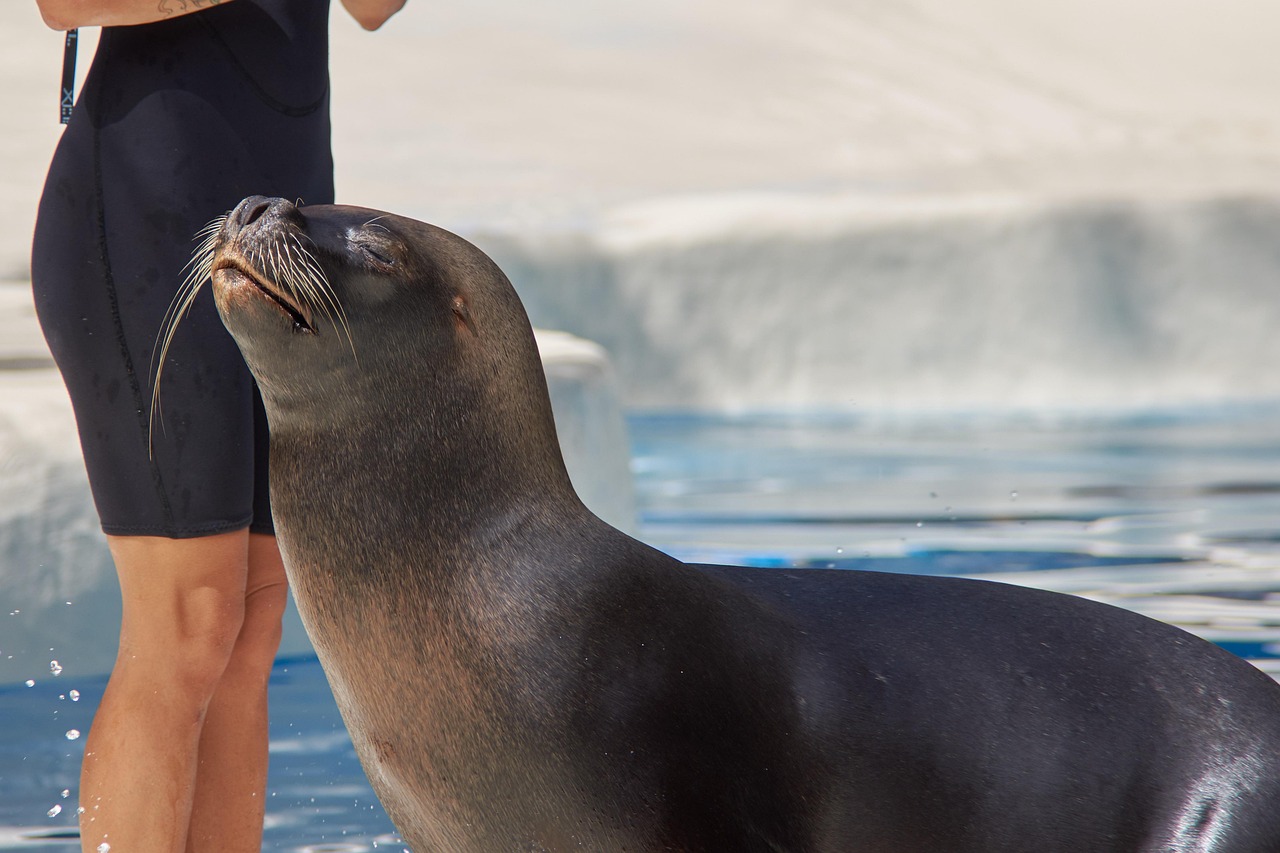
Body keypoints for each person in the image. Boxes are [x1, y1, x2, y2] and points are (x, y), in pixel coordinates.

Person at [30, 1, 405, 851]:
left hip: (277, 234)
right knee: (190, 623)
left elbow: (376, 9)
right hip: (141, 215)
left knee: (253, 630)